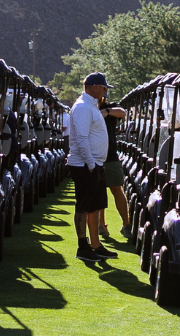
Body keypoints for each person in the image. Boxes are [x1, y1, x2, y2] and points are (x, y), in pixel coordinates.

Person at [65, 73, 114, 261]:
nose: (105, 91)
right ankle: (82, 247)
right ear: (94, 87)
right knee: (84, 206)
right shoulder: (83, 107)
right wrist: (91, 163)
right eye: (103, 87)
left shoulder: (90, 106)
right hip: (86, 165)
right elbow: (81, 138)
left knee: (94, 206)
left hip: (94, 164)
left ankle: (95, 245)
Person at [103, 101, 133, 248]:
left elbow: (122, 112)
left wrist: (107, 111)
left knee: (117, 189)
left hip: (110, 155)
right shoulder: (87, 107)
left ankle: (126, 224)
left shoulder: (110, 107)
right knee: (98, 190)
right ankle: (101, 224)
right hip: (95, 154)